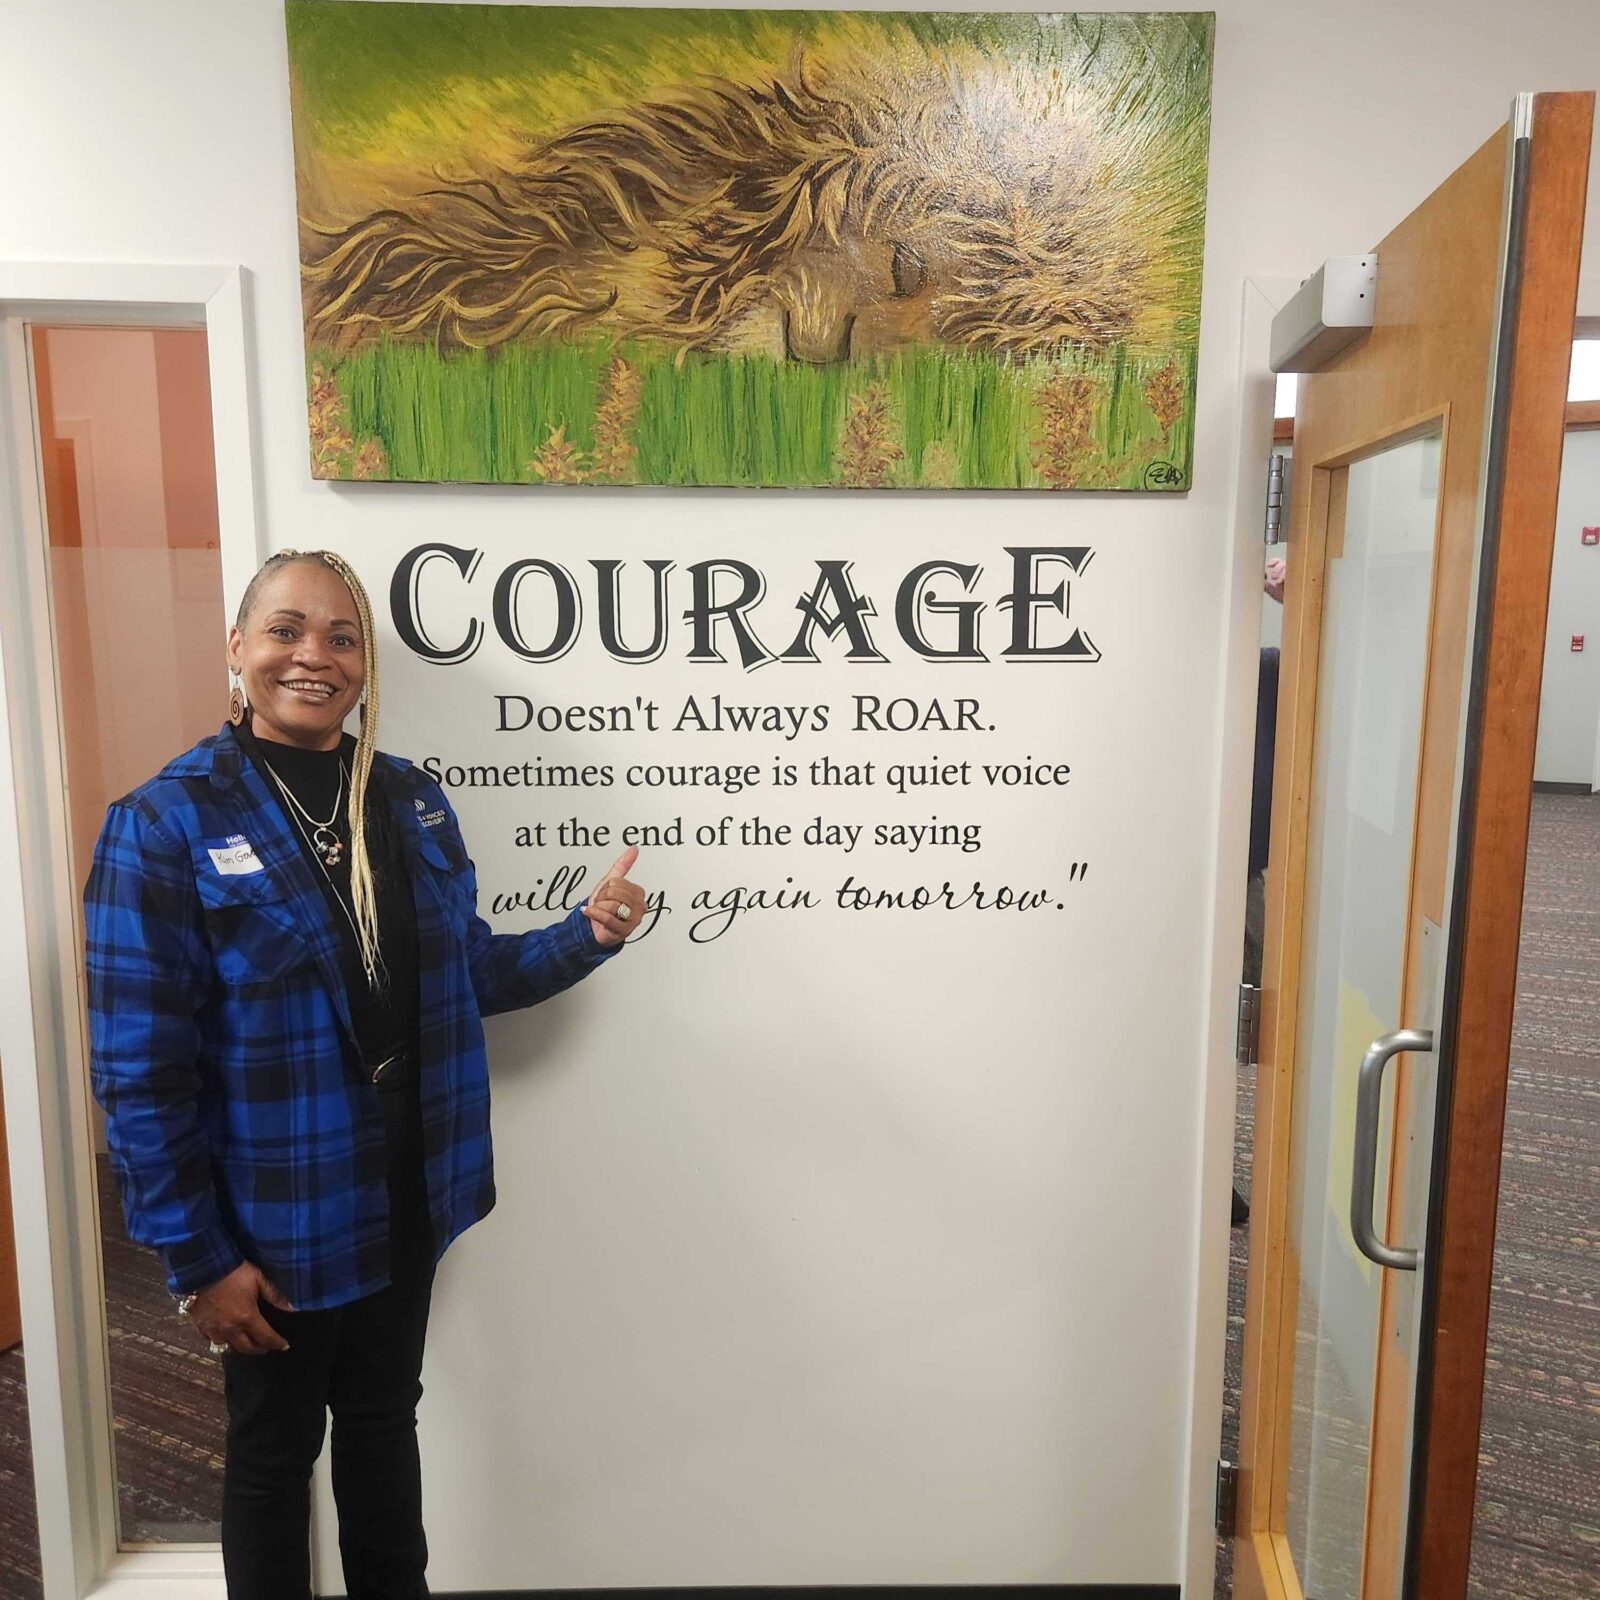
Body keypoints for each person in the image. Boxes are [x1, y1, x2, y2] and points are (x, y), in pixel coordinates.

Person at [83, 548, 646, 1599]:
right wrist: (198, 1258)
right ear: (237, 647)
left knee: (385, 1418)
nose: (316, 656)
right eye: (286, 630)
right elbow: (137, 1072)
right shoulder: (165, 823)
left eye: (342, 639)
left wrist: (586, 936)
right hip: (275, 1214)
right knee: (273, 1452)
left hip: (408, 1187)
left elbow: (462, 975)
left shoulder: (408, 799)